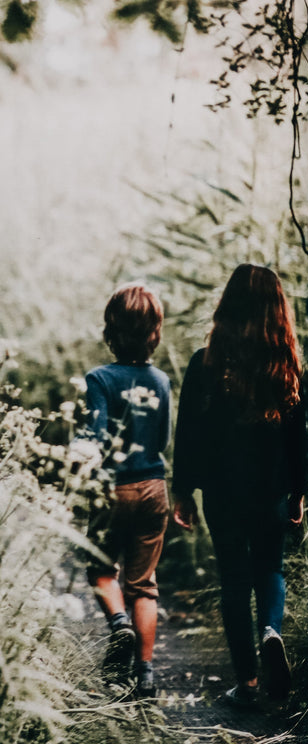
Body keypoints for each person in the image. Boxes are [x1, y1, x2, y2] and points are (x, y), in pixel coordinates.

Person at [171, 264, 308, 707]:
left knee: (234, 577)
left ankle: (247, 683)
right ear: (277, 311)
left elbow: (188, 431)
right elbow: (296, 435)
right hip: (271, 489)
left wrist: (183, 489)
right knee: (270, 568)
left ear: (226, 307)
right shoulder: (286, 366)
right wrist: (298, 491)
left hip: (223, 491)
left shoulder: (205, 364)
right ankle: (271, 631)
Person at [84, 284, 171, 698]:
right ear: (155, 333)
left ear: (111, 331)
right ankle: (146, 674)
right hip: (155, 487)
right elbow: (163, 438)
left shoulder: (99, 379)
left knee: (100, 567)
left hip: (114, 487)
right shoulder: (162, 381)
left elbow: (95, 437)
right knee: (144, 583)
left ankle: (119, 624)